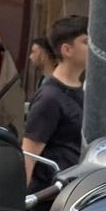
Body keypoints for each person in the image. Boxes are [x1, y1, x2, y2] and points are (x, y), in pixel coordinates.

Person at [22, 14, 87, 194]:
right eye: (86, 42)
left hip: (73, 193)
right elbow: (28, 154)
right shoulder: (50, 97)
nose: (93, 49)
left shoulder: (81, 91)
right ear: (67, 50)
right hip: (50, 197)